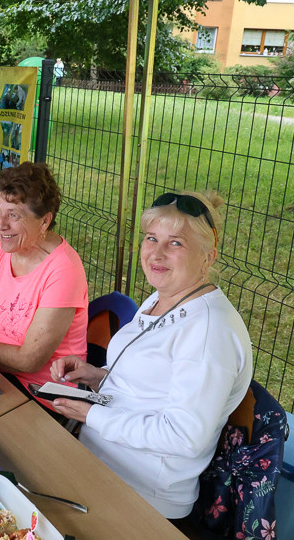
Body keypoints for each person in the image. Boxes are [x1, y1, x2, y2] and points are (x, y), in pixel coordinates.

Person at [50, 191, 251, 519]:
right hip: (98, 461)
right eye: (151, 238)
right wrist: (97, 375)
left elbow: (184, 437)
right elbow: (152, 387)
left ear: (208, 257)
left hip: (141, 495)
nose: (156, 253)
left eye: (176, 243)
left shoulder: (209, 331)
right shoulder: (166, 297)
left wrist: (92, 416)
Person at [0, 162, 88, 409]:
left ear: (45, 221)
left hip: (43, 396)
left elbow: (29, 361)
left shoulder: (63, 270)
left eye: (13, 215)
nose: (0, 224)